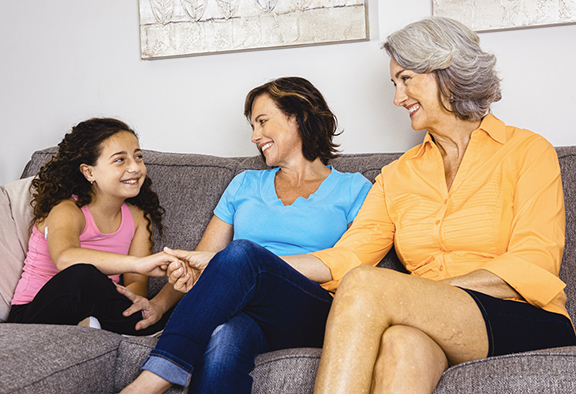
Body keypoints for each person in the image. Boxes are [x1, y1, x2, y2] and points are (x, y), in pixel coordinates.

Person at [303, 16, 576, 393]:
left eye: (406, 79)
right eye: (394, 83)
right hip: (437, 325)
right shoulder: (396, 175)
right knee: (401, 342)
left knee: (369, 285)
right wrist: (247, 266)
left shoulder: (528, 151)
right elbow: (347, 257)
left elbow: (534, 262)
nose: (397, 98)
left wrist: (426, 295)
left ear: (446, 73)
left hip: (525, 317)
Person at [120, 77, 372, 394]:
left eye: (263, 122)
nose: (255, 136)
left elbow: (357, 264)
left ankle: (149, 381)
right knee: (225, 335)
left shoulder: (354, 188)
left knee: (243, 254)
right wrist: (158, 304)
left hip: (313, 310)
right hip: (248, 311)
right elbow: (202, 260)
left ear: (300, 116)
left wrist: (247, 264)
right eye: (252, 126)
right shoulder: (245, 184)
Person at [8, 118, 182, 336]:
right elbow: (65, 257)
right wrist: (139, 263)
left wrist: (136, 304)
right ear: (89, 172)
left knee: (189, 294)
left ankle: (143, 326)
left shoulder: (137, 217)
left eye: (138, 157)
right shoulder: (67, 209)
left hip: (97, 308)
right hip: (33, 314)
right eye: (120, 160)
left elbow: (136, 282)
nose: (134, 167)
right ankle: (157, 329)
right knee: (82, 275)